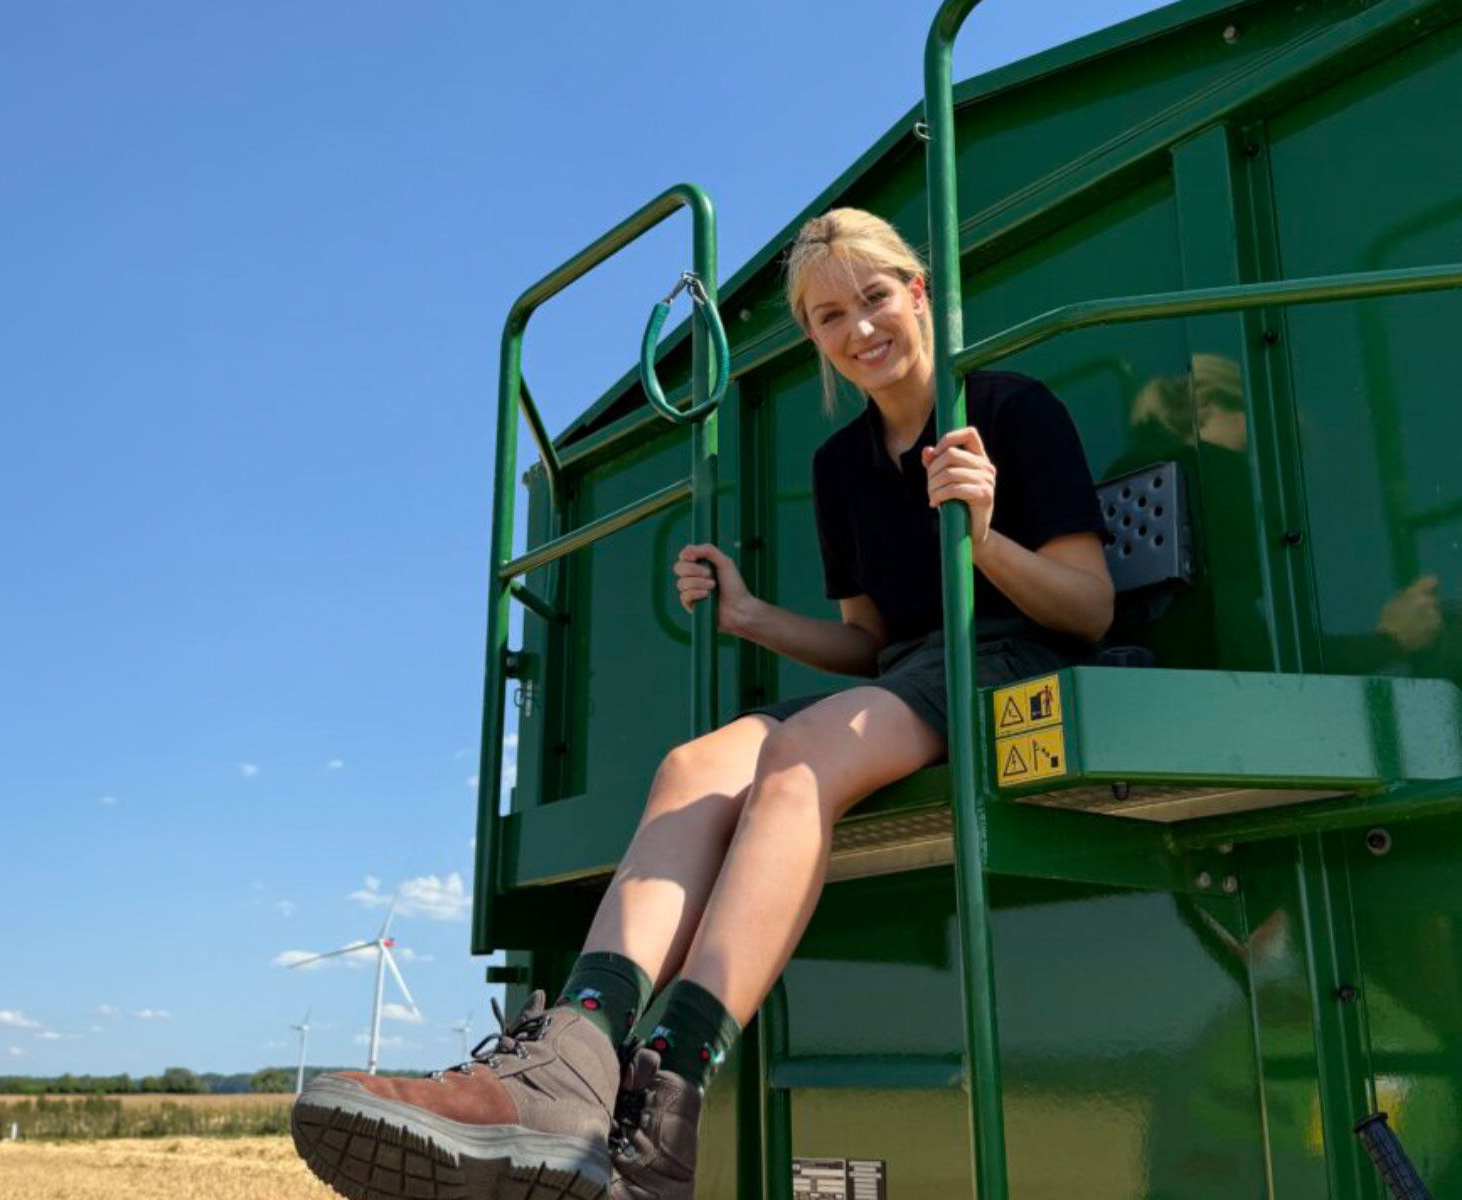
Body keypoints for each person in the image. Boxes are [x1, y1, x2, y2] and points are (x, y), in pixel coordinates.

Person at [289, 207, 1114, 1200]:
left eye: (873, 299)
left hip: (1015, 652)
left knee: (803, 755)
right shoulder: (838, 467)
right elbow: (866, 644)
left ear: (918, 293)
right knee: (693, 766)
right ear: (808, 337)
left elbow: (1089, 609)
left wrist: (980, 535)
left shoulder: (1011, 411)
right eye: (825, 317)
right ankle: (568, 1072)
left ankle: (666, 1097)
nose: (857, 330)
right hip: (909, 677)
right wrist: (750, 615)